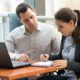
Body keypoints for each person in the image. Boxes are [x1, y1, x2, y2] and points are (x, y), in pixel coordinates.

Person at [5, 2, 61, 80]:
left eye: (32, 17)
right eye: (26, 20)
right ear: (20, 20)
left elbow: (59, 54)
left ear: (35, 11)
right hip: (21, 75)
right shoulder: (13, 34)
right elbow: (5, 54)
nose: (31, 22)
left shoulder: (50, 30)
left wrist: (49, 59)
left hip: (44, 75)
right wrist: (16, 56)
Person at [38, 8, 80, 80]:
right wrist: (49, 57)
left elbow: (66, 62)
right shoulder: (65, 37)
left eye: (61, 26)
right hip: (63, 75)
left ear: (71, 23)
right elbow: (61, 56)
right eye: (57, 26)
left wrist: (68, 64)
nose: (58, 30)